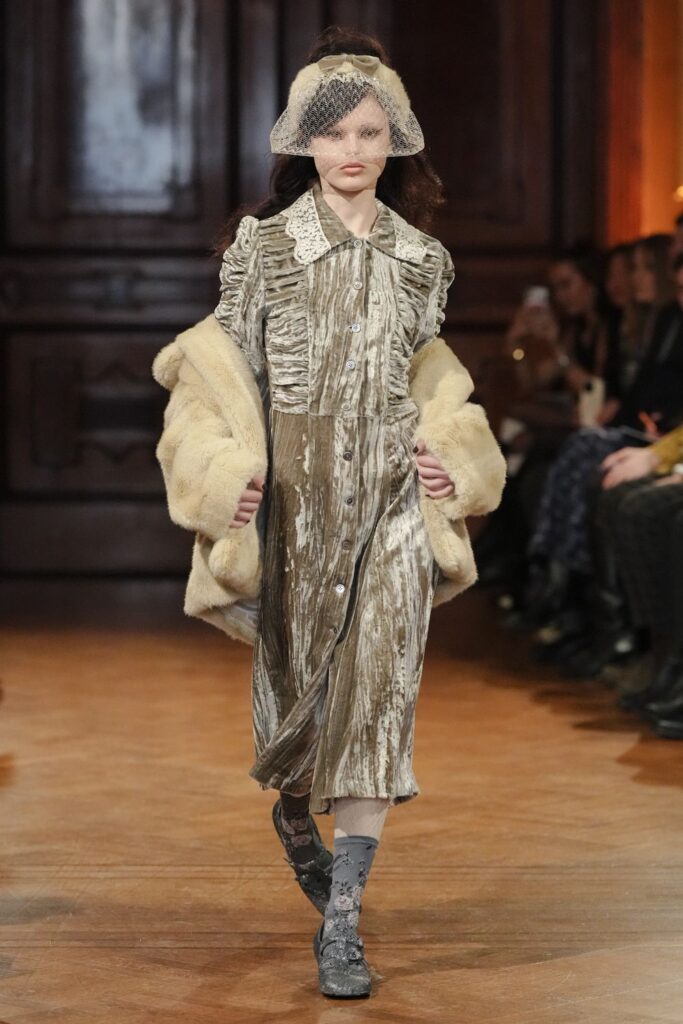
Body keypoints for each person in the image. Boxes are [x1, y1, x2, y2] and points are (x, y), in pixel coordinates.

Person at [151, 26, 505, 999]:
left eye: (369, 132)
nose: (352, 149)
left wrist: (447, 458)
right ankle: (293, 808)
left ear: (396, 143)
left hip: (391, 506)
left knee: (378, 705)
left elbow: (431, 380)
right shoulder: (263, 250)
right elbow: (213, 381)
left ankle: (341, 924)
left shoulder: (420, 260)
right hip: (294, 509)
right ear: (304, 143)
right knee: (298, 714)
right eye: (335, 132)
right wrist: (227, 474)